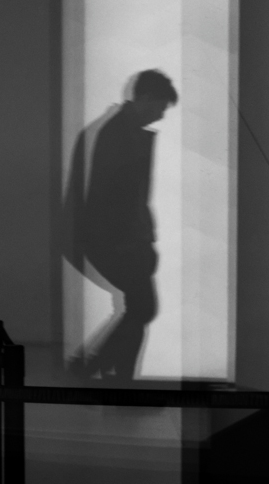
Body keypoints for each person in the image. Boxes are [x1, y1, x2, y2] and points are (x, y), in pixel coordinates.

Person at [76, 69, 178, 383]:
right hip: (118, 240)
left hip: (122, 239)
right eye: (160, 106)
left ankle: (113, 379)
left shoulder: (121, 130)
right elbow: (111, 195)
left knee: (139, 309)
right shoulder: (119, 133)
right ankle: (97, 371)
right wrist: (132, 241)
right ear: (145, 98)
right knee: (142, 309)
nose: (161, 115)